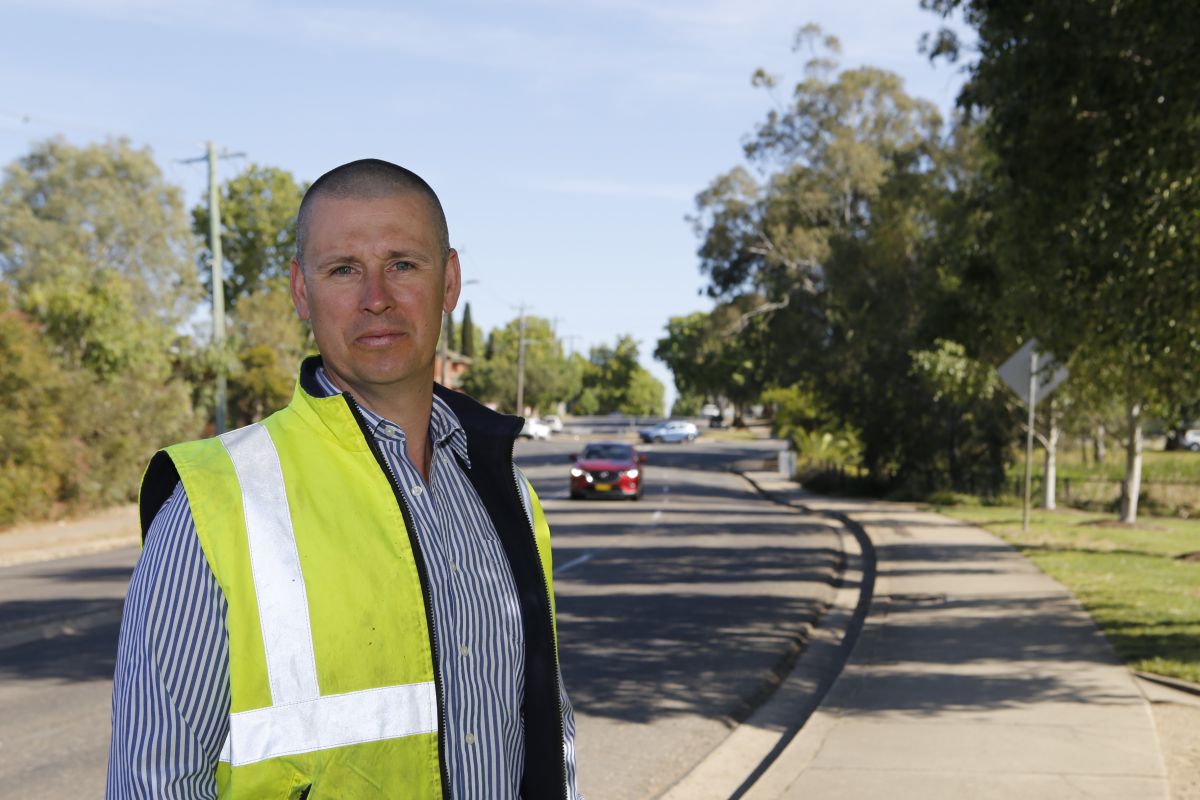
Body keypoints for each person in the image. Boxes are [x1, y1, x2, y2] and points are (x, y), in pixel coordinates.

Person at [108, 159, 582, 799]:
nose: (376, 297)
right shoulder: (213, 503)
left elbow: (548, 734)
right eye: (343, 270)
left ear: (450, 281)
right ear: (302, 291)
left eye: (403, 264)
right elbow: (152, 784)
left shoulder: (510, 498)